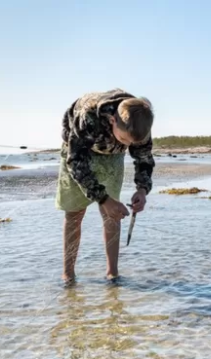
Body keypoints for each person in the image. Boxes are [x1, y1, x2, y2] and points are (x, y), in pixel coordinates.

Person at [55, 89, 155, 283]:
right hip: (78, 151)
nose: (129, 145)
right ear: (112, 120)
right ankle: (68, 275)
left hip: (112, 154)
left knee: (112, 214)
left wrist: (142, 190)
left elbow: (144, 158)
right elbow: (75, 163)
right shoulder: (89, 115)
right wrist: (103, 199)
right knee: (74, 213)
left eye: (133, 142)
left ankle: (112, 273)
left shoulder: (140, 122)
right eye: (125, 140)